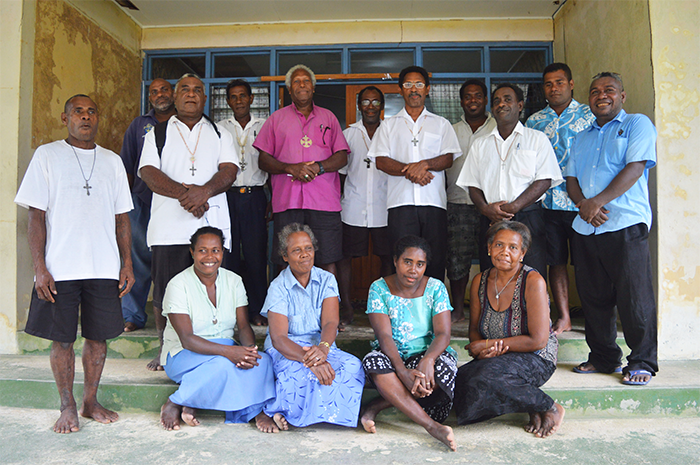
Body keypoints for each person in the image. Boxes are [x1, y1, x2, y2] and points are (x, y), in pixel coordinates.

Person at [14, 94, 134, 433]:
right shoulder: (47, 155)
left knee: (99, 340)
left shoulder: (111, 161)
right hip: (60, 268)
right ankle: (66, 405)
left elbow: (122, 218)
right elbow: (35, 216)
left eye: (91, 111)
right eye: (78, 111)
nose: (85, 117)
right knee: (62, 340)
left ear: (98, 118)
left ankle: (90, 401)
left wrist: (126, 263)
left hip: (103, 268)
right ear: (65, 118)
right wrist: (40, 267)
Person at [139, 73, 238, 371]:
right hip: (169, 227)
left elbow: (230, 170)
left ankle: (219, 342)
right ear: (175, 95)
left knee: (214, 291)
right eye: (185, 89)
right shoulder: (156, 133)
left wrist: (204, 192)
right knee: (165, 290)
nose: (191, 94)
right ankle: (165, 346)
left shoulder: (220, 133)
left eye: (197, 90)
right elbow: (148, 172)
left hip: (210, 226)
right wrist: (187, 195)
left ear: (205, 98)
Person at [565, 72, 658, 386]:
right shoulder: (582, 136)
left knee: (634, 298)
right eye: (594, 91)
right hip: (586, 227)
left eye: (608, 90)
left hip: (624, 224)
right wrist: (584, 206)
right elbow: (571, 179)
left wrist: (597, 202)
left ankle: (642, 360)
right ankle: (603, 357)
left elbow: (635, 167)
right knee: (593, 298)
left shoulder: (636, 124)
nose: (601, 95)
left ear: (622, 95)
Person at [158, 227, 278, 432]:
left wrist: (249, 352)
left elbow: (242, 325)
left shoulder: (234, 281)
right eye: (202, 250)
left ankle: (194, 399)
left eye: (215, 250)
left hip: (224, 350)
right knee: (224, 365)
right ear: (192, 252)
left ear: (223, 252)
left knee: (264, 362)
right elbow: (187, 339)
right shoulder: (178, 285)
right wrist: (230, 352)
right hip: (183, 354)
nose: (210, 256)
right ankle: (176, 401)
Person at [453, 221, 563, 438]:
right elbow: (475, 330)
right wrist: (482, 351)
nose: (505, 252)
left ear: (522, 253)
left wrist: (489, 345)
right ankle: (528, 404)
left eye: (513, 248)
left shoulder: (533, 280)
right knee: (460, 380)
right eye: (499, 245)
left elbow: (539, 340)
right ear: (489, 248)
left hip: (535, 357)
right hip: (494, 359)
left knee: (488, 377)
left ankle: (548, 406)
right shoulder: (479, 281)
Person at [260, 223, 365, 429]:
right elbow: (279, 338)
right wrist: (311, 362)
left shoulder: (327, 279)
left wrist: (324, 348)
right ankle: (279, 411)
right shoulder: (278, 287)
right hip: (288, 347)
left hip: (319, 344)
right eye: (296, 250)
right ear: (285, 256)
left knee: (352, 366)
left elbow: (330, 322)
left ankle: (326, 413)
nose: (304, 254)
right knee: (299, 373)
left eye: (308, 248)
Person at [361, 235, 457, 451]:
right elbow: (384, 336)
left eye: (420, 264)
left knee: (441, 373)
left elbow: (443, 334)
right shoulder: (379, 288)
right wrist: (402, 371)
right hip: (392, 354)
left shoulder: (436, 288)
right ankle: (432, 427)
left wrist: (428, 360)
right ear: (395, 260)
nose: (413, 270)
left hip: (427, 351)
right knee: (374, 362)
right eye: (407, 262)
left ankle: (376, 405)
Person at [457, 83, 563, 277]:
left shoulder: (536, 139)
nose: (501, 104)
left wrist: (514, 206)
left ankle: (530, 309)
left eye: (507, 99)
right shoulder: (481, 144)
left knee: (531, 274)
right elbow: (472, 184)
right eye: (497, 101)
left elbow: (544, 180)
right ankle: (493, 309)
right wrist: (485, 209)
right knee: (492, 273)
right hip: (491, 219)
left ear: (520, 105)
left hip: (528, 218)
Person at [255, 65, 349, 276]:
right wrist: (289, 167)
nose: (302, 85)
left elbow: (342, 156)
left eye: (306, 81)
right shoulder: (276, 119)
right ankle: (285, 308)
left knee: (327, 258)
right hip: (288, 201)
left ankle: (328, 307)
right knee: (285, 258)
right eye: (296, 81)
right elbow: (263, 160)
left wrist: (319, 167)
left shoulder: (329, 118)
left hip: (324, 202)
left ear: (313, 87)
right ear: (289, 89)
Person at [370, 66, 462, 281]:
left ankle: (433, 311)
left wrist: (425, 164)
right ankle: (402, 309)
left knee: (435, 258)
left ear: (427, 89)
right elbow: (381, 161)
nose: (414, 89)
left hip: (434, 204)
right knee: (402, 259)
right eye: (408, 85)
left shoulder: (441, 124)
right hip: (400, 204)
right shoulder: (389, 125)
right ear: (401, 90)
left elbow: (448, 158)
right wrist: (413, 170)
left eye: (419, 84)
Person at [526, 63, 594, 334]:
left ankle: (594, 316)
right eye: (549, 84)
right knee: (555, 262)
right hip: (546, 204)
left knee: (588, 263)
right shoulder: (534, 121)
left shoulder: (590, 115)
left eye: (559, 82)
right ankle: (563, 316)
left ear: (571, 84)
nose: (554, 88)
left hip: (582, 204)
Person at [120, 78, 177, 332]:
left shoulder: (188, 121)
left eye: (164, 89)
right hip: (142, 201)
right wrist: (125, 202)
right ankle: (132, 315)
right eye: (154, 91)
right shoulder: (139, 125)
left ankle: (178, 319)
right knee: (137, 257)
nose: (159, 95)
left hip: (177, 203)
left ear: (173, 93)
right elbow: (129, 165)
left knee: (173, 261)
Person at [337, 86, 392, 327]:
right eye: (366, 102)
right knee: (345, 258)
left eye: (375, 102)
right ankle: (346, 306)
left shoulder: (391, 132)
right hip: (353, 206)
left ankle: (385, 309)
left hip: (385, 206)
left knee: (388, 257)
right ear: (359, 106)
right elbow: (339, 174)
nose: (370, 106)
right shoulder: (348, 134)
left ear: (382, 106)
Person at [218, 79, 269, 326]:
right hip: (226, 196)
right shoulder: (218, 128)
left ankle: (257, 310)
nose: (238, 101)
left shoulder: (265, 126)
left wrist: (270, 199)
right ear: (228, 101)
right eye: (233, 97)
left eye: (243, 96)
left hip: (256, 195)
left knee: (255, 255)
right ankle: (231, 312)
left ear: (251, 99)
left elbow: (272, 162)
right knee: (229, 256)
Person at [445, 79, 496, 322]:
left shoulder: (499, 128)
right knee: (457, 258)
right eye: (468, 96)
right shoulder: (451, 130)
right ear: (461, 101)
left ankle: (490, 309)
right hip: (458, 203)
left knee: (493, 259)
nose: (473, 100)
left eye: (478, 96)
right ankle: (458, 309)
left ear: (485, 100)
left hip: (492, 205)